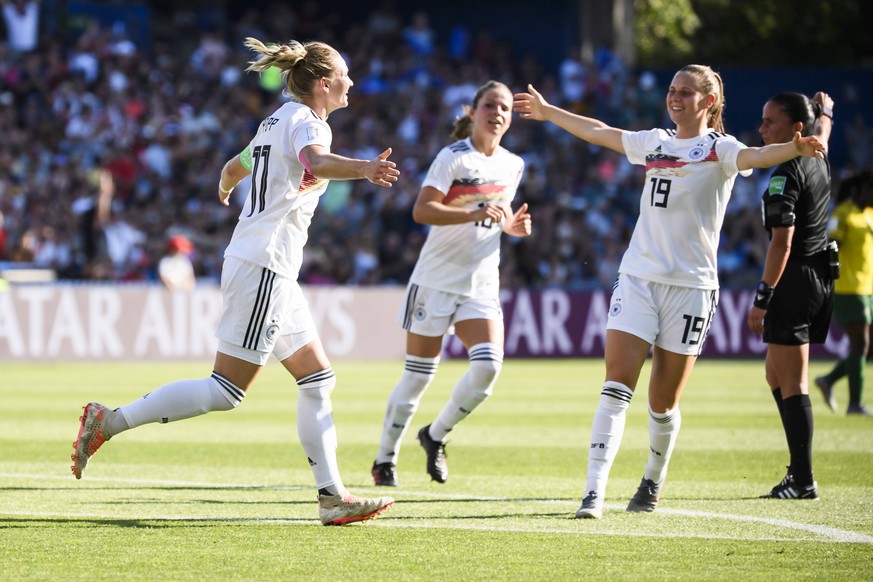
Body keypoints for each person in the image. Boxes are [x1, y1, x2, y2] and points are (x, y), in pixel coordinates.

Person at [71, 37, 400, 526]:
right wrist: (366, 168)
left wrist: (226, 189)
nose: (352, 83)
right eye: (345, 76)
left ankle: (332, 498)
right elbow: (315, 161)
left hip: (271, 268)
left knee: (317, 378)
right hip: (264, 264)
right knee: (225, 390)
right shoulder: (308, 123)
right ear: (325, 83)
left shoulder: (273, 122)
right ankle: (109, 420)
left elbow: (231, 168)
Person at [513, 64, 826, 519]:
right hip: (638, 278)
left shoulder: (720, 149)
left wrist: (791, 149)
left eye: (686, 92)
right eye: (672, 90)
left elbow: (756, 157)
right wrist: (547, 111)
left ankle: (652, 481)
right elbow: (599, 131)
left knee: (662, 405)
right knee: (615, 386)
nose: (675, 97)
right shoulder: (653, 141)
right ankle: (593, 492)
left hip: (693, 289)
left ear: (708, 102)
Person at [371, 80, 531, 487]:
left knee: (487, 369)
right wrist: (473, 215)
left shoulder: (514, 164)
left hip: (480, 283)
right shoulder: (453, 158)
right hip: (435, 282)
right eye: (491, 105)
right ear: (474, 112)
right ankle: (385, 459)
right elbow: (422, 211)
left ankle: (435, 434)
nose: (498, 113)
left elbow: (500, 212)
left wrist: (512, 227)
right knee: (419, 376)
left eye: (506, 109)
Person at [747, 91, 835, 500]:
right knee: (775, 374)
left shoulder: (785, 172)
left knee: (793, 381)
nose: (762, 129)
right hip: (818, 276)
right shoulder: (819, 155)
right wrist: (827, 114)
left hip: (793, 279)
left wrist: (763, 298)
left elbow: (781, 244)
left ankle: (802, 479)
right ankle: (798, 474)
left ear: (796, 129)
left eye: (770, 121)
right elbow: (825, 136)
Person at [815, 169, 873, 416]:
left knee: (862, 346)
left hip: (867, 288)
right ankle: (854, 404)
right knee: (861, 344)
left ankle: (829, 380)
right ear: (861, 190)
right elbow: (831, 246)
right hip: (848, 288)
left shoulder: (869, 214)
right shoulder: (843, 214)